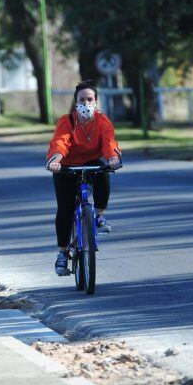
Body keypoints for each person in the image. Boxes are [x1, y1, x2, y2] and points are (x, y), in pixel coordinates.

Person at [46, 80, 122, 276]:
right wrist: (56, 160)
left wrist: (113, 157)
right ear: (76, 102)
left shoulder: (103, 121)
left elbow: (109, 142)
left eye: (90, 99)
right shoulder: (67, 121)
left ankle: (99, 214)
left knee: (104, 170)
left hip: (91, 162)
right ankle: (63, 253)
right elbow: (61, 142)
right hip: (66, 165)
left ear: (96, 101)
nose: (86, 103)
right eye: (82, 100)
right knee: (65, 208)